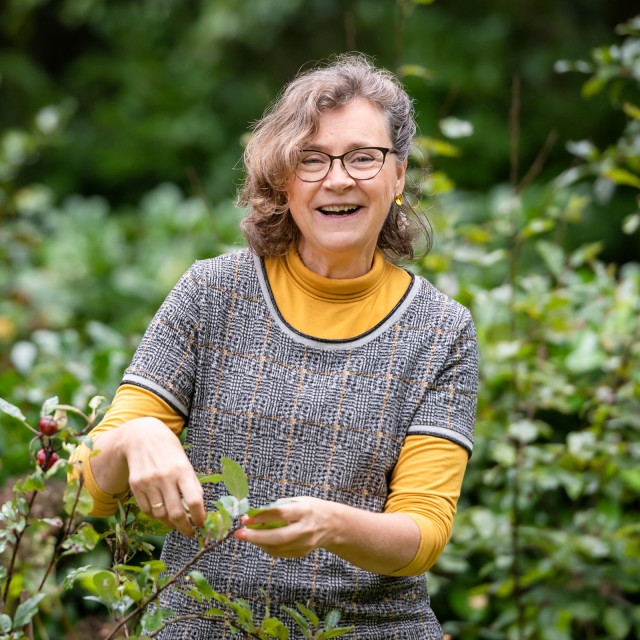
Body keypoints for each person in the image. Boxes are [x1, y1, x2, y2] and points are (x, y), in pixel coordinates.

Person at [70, 54, 478, 639]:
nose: (338, 178)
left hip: (368, 628)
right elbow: (85, 492)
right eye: (312, 159)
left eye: (363, 156)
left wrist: (330, 524)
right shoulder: (212, 293)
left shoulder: (442, 331)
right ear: (284, 180)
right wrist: (135, 437)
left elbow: (422, 535)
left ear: (398, 175)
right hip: (200, 623)